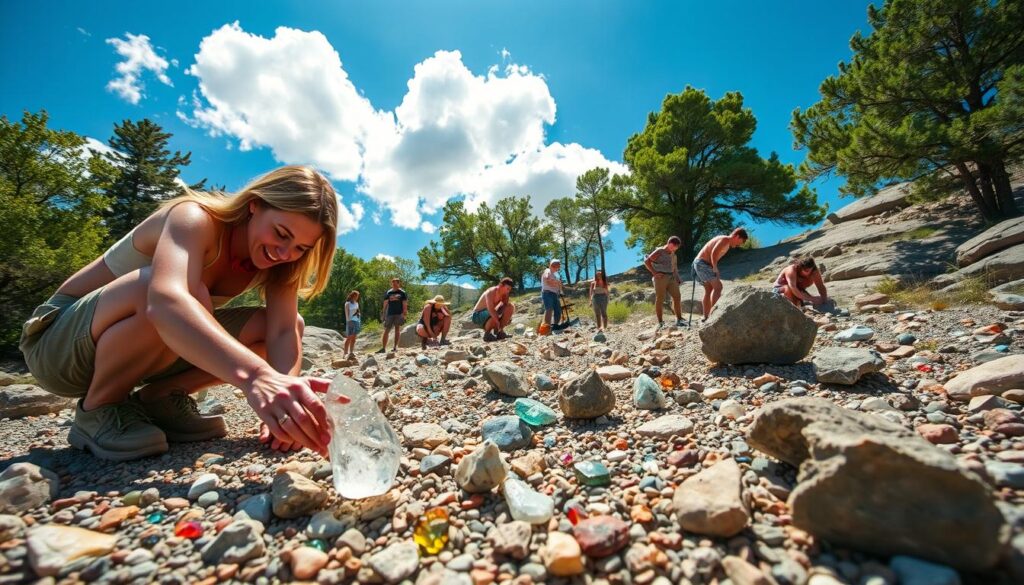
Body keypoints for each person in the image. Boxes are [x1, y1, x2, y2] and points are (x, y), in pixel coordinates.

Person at [18, 165, 341, 461]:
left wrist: (287, 404)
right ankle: (99, 408)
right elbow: (165, 300)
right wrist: (257, 377)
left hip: (139, 348)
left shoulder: (283, 262)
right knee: (170, 289)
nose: (285, 253)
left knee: (278, 325)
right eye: (281, 234)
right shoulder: (194, 218)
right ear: (254, 205)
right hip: (57, 347)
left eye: (302, 247)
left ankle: (158, 399)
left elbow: (283, 330)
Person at [693, 228, 748, 319]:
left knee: (709, 290)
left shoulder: (724, 241)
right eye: (740, 242)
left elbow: (714, 254)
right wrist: (715, 267)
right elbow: (713, 253)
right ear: (737, 236)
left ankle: (706, 316)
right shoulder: (725, 239)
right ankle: (715, 316)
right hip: (703, 264)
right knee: (718, 287)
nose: (739, 245)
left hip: (700, 263)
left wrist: (713, 267)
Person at [644, 236, 684, 328]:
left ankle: (679, 319)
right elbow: (647, 261)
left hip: (671, 277)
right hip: (660, 277)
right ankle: (661, 322)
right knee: (660, 298)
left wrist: (678, 278)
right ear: (669, 243)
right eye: (673, 247)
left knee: (677, 296)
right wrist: (654, 273)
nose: (674, 249)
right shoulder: (659, 251)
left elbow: (674, 268)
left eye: (676, 248)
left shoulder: (674, 255)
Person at [378, 278, 408, 353]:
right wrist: (383, 313)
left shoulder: (402, 293)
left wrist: (404, 314)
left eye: (395, 283)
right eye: (393, 283)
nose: (394, 285)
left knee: (397, 329)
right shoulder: (388, 292)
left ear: (399, 283)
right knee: (386, 330)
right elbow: (385, 303)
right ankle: (383, 348)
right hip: (390, 313)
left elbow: (404, 304)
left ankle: (395, 347)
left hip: (399, 313)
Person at [541, 259, 563, 330]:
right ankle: (546, 327)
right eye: (556, 265)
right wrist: (553, 281)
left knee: (558, 309)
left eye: (558, 265)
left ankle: (555, 325)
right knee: (549, 309)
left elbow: (559, 283)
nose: (557, 267)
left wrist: (561, 291)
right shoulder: (548, 271)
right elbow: (546, 278)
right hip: (547, 293)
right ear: (552, 265)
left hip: (555, 293)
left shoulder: (556, 274)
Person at [343, 290, 361, 359]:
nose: (357, 297)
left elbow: (358, 312)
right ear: (353, 296)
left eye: (358, 296)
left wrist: (359, 320)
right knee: (349, 337)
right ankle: (345, 353)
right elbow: (346, 313)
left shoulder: (357, 303)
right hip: (350, 321)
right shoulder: (347, 303)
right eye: (356, 296)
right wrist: (348, 321)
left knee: (354, 338)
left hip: (357, 321)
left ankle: (351, 352)